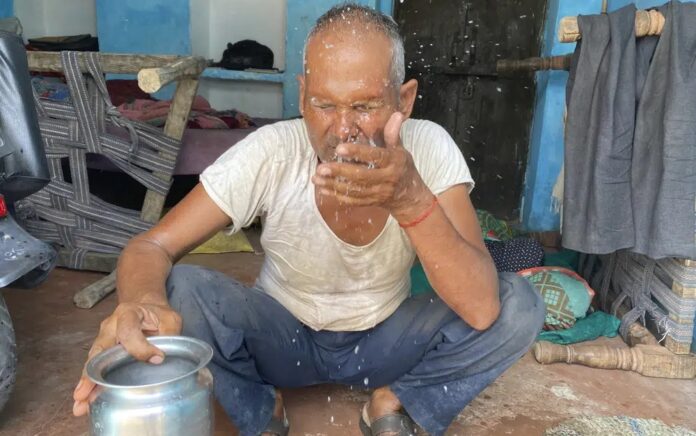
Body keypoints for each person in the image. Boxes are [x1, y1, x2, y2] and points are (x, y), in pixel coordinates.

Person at [72, 4, 544, 436]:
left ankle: (395, 401)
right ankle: (261, 410)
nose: (342, 130)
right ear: (301, 96)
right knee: (182, 288)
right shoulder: (273, 151)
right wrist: (141, 301)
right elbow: (150, 247)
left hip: (386, 343)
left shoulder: (430, 147)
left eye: (363, 106)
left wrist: (411, 199)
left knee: (519, 303)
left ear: (404, 100)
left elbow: (482, 306)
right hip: (281, 341)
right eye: (324, 104)